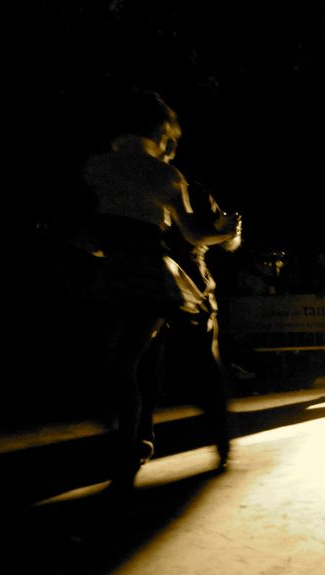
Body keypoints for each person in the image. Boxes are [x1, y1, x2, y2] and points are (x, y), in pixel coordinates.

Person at [75, 87, 224, 493]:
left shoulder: (96, 166)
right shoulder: (165, 174)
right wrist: (225, 233)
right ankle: (135, 442)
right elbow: (191, 232)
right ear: (160, 130)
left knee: (115, 363)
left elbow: (92, 232)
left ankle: (129, 440)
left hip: (112, 271)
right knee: (130, 362)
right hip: (150, 272)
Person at [160, 181, 243, 469]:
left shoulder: (194, 191)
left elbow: (228, 243)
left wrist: (230, 232)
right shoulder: (143, 181)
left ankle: (221, 443)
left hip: (192, 287)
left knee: (206, 366)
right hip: (153, 282)